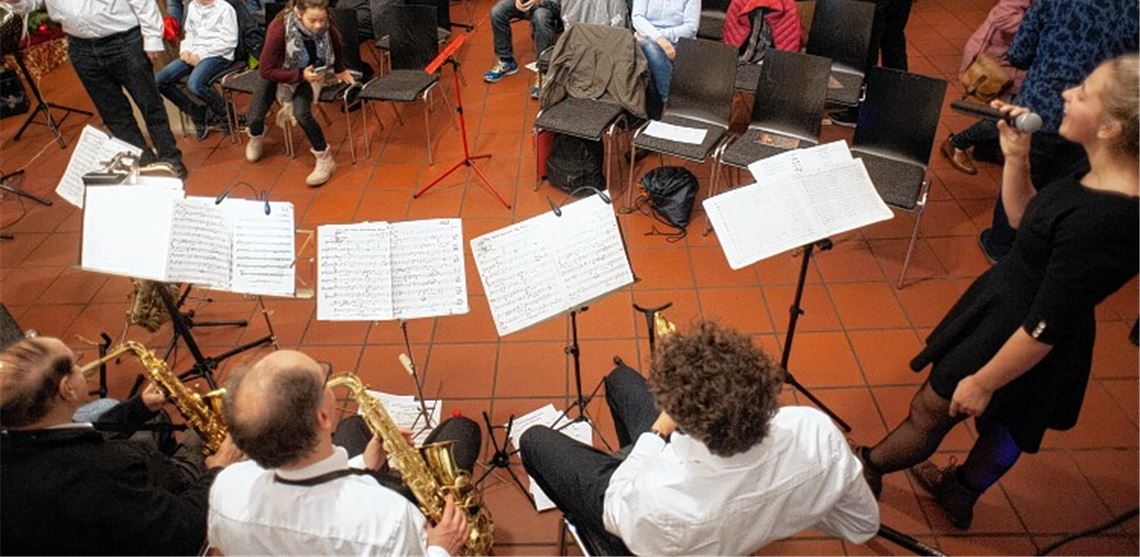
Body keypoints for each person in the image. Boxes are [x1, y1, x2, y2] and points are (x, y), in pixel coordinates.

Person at [858, 55, 1139, 531]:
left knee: (936, 409)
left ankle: (868, 467)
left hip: (1027, 330)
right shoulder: (1093, 168)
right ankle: (960, 492)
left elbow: (1044, 324)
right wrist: (1017, 157)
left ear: (1111, 127)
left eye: (1084, 93)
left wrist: (984, 380)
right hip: (1029, 312)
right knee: (1013, 422)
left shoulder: (1108, 218)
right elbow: (1024, 222)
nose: (1067, 94)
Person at [519, 321, 880, 555]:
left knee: (534, 440)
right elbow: (862, 525)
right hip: (691, 509)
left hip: (637, 513)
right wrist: (783, 506)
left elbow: (618, 504)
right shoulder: (814, 430)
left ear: (686, 423)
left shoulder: (662, 499)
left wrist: (656, 433)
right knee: (621, 381)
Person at [209, 349, 478, 556]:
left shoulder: (226, 486)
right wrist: (441, 546)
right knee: (462, 431)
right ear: (323, 418)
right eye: (323, 378)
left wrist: (365, 463)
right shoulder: (388, 518)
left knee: (353, 426)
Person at [977, 0, 1139, 262]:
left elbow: (1019, 54)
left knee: (1021, 173)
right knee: (1071, 189)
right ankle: (1048, 252)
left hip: (1040, 110)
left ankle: (1001, 248)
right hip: (1103, 117)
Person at [1, 0, 186, 177]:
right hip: (81, 47)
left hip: (124, 41)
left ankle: (171, 161)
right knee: (114, 114)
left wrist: (151, 37)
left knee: (149, 105)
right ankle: (144, 163)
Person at [0, 336, 241, 555]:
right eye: (76, 364)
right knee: (222, 436)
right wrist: (217, 469)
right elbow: (179, 530)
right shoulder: (102, 473)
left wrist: (138, 408)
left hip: (104, 511)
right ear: (67, 390)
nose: (83, 367)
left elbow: (82, 429)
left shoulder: (19, 433)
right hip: (160, 512)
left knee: (142, 416)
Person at [943, 0, 1107, 175]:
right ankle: (957, 143)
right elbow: (1005, 15)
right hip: (1005, 54)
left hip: (1026, 56)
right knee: (1016, 114)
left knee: (1019, 111)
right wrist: (1049, 32)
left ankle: (982, 149)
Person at [244, 0, 354, 185]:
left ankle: (325, 159)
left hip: (309, 73)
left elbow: (336, 43)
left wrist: (340, 69)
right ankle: (256, 136)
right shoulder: (279, 27)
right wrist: (297, 74)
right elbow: (266, 70)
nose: (319, 25)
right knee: (254, 116)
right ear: (299, 13)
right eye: (313, 21)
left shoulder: (327, 25)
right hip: (277, 71)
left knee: (302, 113)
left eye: (322, 20)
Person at [154, 0, 238, 139]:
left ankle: (225, 114)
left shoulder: (225, 9)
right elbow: (190, 32)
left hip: (219, 54)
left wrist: (201, 55)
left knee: (195, 84)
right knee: (160, 80)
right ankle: (197, 112)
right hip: (194, 53)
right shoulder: (192, 6)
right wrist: (185, 50)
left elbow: (229, 41)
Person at [630, 0, 700, 107]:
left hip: (679, 43)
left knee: (649, 47)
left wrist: (661, 37)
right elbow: (637, 17)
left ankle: (662, 106)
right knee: (650, 48)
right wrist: (660, 40)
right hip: (650, 40)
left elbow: (691, 28)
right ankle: (672, 102)